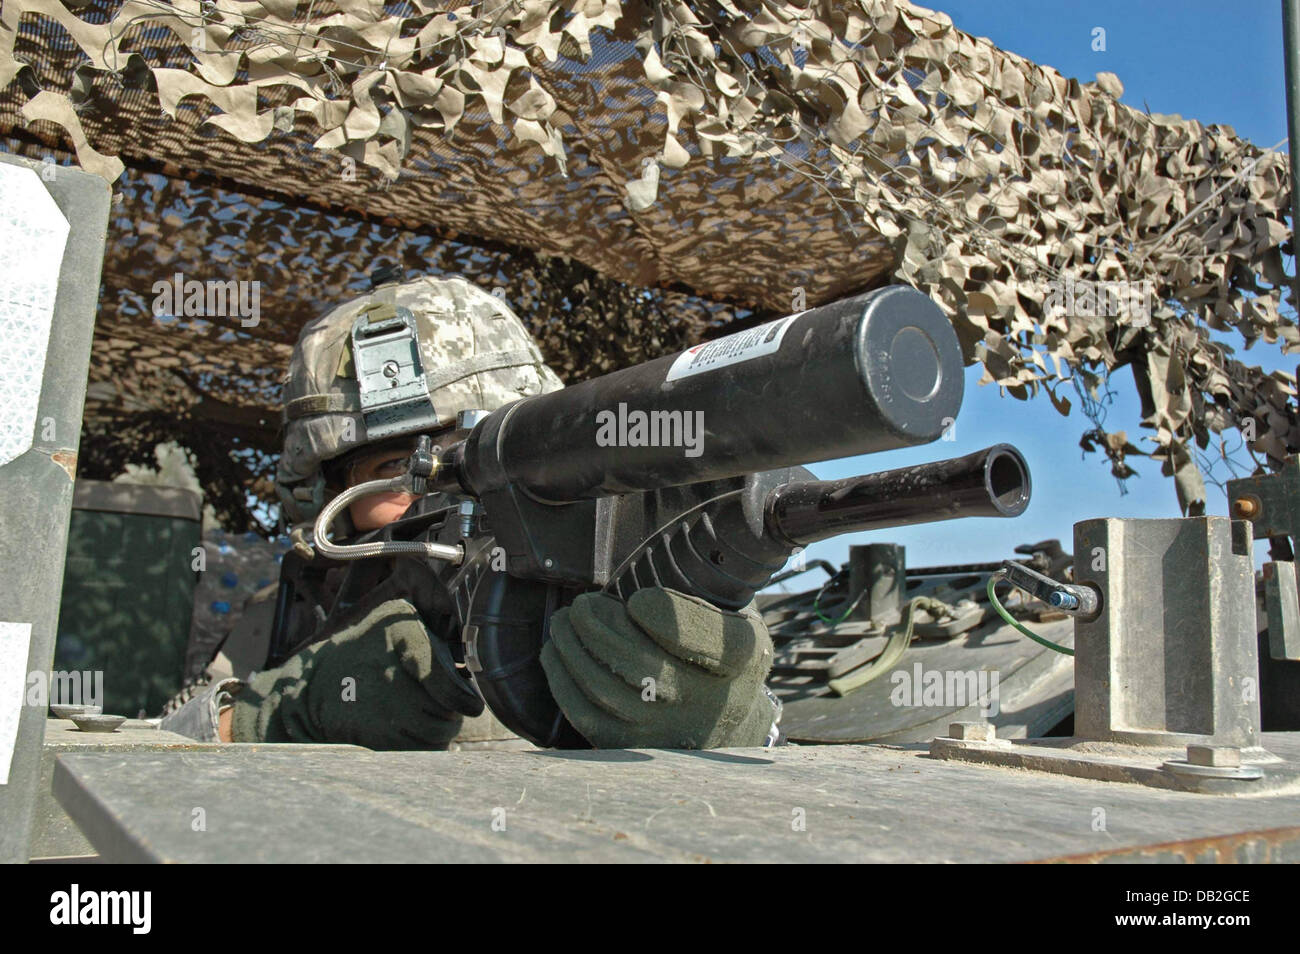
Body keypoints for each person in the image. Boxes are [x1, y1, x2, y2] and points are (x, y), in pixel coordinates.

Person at [161, 271, 778, 750]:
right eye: (391, 469)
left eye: (474, 457)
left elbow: (775, 763)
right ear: (327, 500)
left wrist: (730, 719)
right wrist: (274, 715)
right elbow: (149, 754)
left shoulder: (608, 585)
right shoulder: (284, 612)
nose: (440, 491)